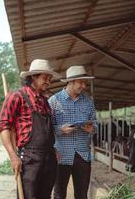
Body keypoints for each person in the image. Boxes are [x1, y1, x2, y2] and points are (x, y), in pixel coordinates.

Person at [0, 59, 61, 199]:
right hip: (29, 159)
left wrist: (53, 149)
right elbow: (3, 126)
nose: (48, 82)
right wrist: (13, 156)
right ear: (33, 77)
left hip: (49, 158)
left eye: (49, 78)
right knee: (28, 196)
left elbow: (47, 131)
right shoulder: (17, 96)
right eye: (45, 78)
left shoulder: (45, 101)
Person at [48, 65, 97, 199]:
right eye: (81, 82)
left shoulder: (88, 101)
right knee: (59, 194)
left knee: (82, 194)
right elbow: (46, 128)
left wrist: (92, 129)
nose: (84, 86)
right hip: (60, 155)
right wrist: (60, 129)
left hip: (82, 155)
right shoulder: (54, 101)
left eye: (85, 82)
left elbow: (95, 123)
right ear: (71, 82)